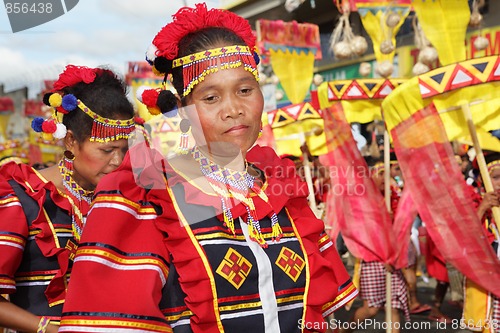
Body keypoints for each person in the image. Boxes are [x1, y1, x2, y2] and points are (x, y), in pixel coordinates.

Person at [59, 3, 358, 332]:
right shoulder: (149, 194)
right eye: (211, 98)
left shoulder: (281, 187)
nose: (233, 110)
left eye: (245, 90)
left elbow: (323, 315)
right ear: (183, 111)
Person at [0, 65, 136, 333]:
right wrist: (52, 329)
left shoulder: (124, 198)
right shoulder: (23, 198)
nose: (117, 161)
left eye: (123, 150)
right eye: (106, 150)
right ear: (71, 141)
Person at [340, 160, 410, 333]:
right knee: (371, 309)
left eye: (387, 174)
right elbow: (361, 233)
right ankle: (345, 330)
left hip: (391, 259)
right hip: (372, 259)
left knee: (393, 307)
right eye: (380, 174)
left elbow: (401, 231)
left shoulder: (393, 198)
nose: (385, 179)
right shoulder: (362, 202)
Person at [462, 152, 500, 332]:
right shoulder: (473, 202)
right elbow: (465, 238)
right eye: (496, 177)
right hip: (486, 281)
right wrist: (483, 207)